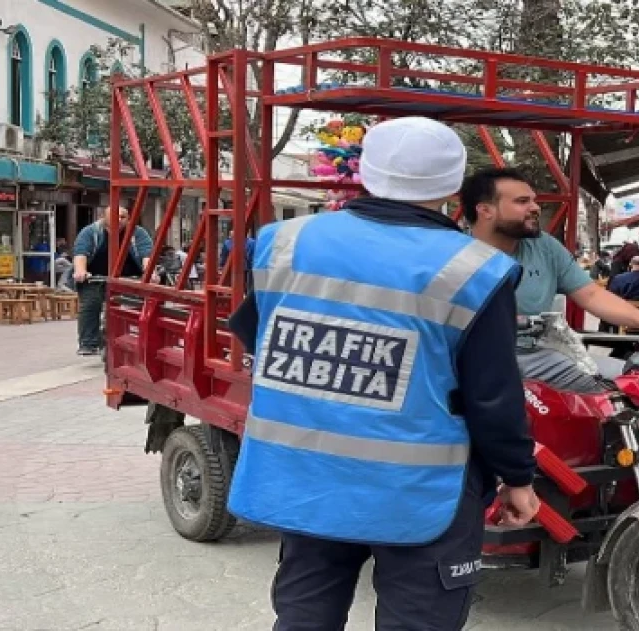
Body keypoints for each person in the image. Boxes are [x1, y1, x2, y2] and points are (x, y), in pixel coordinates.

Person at [224, 117, 540, 630]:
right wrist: (518, 477)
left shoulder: (284, 240)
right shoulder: (475, 269)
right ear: (453, 185)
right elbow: (493, 396)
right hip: (419, 491)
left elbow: (258, 334)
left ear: (366, 172)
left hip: (306, 478)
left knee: (304, 616)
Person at [461, 168, 639, 391]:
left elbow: (591, 294)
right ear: (485, 210)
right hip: (475, 360)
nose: (535, 208)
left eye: (534, 201)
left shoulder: (543, 246)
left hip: (538, 355)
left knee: (620, 395)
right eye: (522, 201)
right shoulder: (453, 256)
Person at [72, 207, 153, 355]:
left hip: (129, 279)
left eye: (123, 217)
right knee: (91, 303)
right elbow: (80, 253)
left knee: (136, 308)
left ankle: (139, 340)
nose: (119, 220)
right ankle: (88, 342)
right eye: (115, 216)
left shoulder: (138, 233)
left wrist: (150, 273)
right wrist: (80, 271)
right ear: (104, 217)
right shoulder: (91, 232)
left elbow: (146, 255)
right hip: (95, 278)